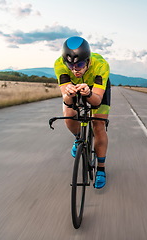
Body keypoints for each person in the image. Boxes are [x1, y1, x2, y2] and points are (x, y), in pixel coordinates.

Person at [54, 36, 111, 189]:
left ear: (88, 60)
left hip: (97, 90)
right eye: (70, 65)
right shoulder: (60, 64)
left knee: (98, 125)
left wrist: (88, 94)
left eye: (79, 64)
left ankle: (101, 169)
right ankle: (79, 138)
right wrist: (69, 94)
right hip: (73, 87)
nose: (74, 69)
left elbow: (97, 100)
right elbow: (66, 100)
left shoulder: (101, 65)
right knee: (69, 115)